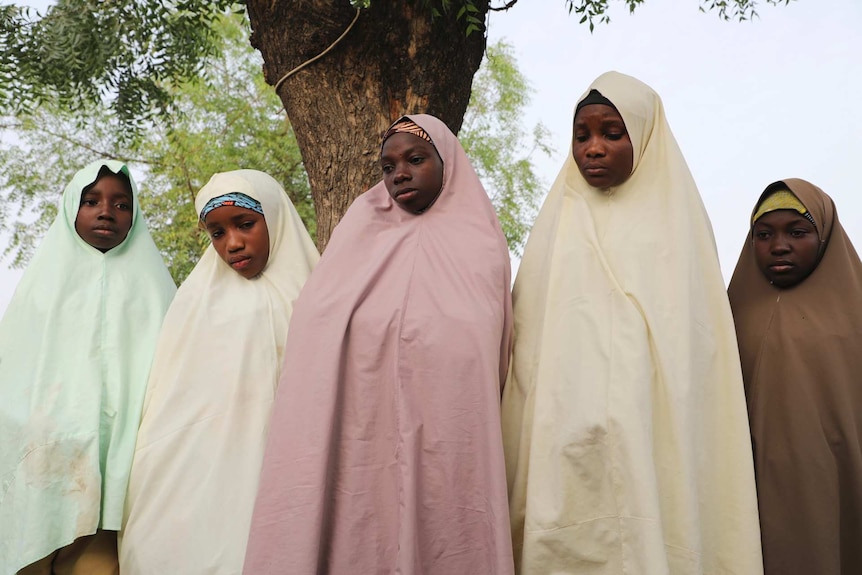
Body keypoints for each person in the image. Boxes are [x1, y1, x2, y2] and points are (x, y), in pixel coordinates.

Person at [501, 72, 763, 574]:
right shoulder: (556, 226)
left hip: (652, 437)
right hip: (565, 438)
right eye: (583, 136)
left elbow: (696, 353)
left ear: (642, 136)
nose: (593, 149)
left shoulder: (678, 228)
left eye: (611, 133)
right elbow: (530, 346)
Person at [242, 115, 514, 574]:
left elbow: (491, 344)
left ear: (447, 162)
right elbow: (317, 324)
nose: (400, 174)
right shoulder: (359, 232)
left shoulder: (481, 245)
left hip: (451, 432)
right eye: (388, 167)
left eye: (415, 159)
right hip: (362, 432)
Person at [119, 170, 318, 574]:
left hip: (295, 479)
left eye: (245, 225)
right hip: (213, 489)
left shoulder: (317, 298)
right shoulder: (195, 307)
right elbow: (171, 417)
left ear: (276, 217)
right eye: (217, 233)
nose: (233, 243)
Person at [0, 160, 176, 575]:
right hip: (41, 476)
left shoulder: (156, 291)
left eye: (121, 204)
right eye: (91, 200)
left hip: (119, 487)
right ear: (69, 209)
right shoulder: (40, 291)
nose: (105, 212)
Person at [728, 179, 862, 575]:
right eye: (764, 234)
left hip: (837, 483)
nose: (779, 245)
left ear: (824, 235)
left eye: (797, 232)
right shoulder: (730, 316)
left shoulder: (855, 313)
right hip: (750, 491)